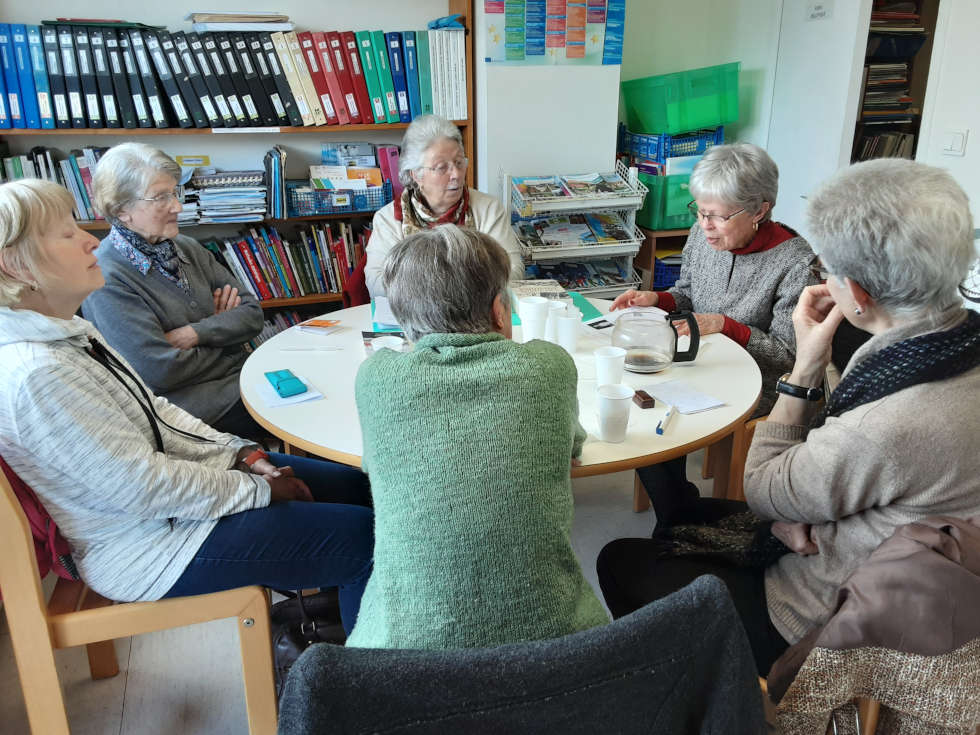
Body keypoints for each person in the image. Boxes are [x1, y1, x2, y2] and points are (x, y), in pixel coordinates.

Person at [596, 158, 980, 675]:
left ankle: (709, 691)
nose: (818, 279)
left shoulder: (887, 422)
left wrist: (805, 367)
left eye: (825, 272)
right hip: (882, 561)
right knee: (679, 524)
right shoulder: (944, 352)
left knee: (619, 559)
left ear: (857, 296)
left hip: (821, 619)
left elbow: (766, 492)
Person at [0, 179, 374, 632]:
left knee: (362, 489)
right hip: (147, 545)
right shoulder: (39, 373)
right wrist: (258, 489)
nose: (89, 240)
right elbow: (140, 488)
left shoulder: (67, 332)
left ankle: (337, 621)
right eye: (65, 234)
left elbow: (157, 412)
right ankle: (363, 687)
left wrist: (242, 453)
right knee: (366, 541)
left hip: (165, 513)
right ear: (15, 266)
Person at [347, 224, 609, 649]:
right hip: (558, 644)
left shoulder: (376, 379)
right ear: (499, 309)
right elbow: (572, 447)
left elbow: (373, 464)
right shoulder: (549, 366)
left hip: (401, 651)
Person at [610, 143, 819, 530]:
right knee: (639, 398)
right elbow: (687, 295)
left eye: (717, 216)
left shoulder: (796, 263)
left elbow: (790, 357)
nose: (704, 224)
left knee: (656, 407)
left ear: (759, 209)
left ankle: (677, 519)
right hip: (702, 363)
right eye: (699, 211)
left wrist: (727, 326)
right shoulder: (702, 234)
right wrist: (656, 298)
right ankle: (679, 512)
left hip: (760, 384)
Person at [81, 142, 266, 440]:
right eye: (161, 197)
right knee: (310, 417)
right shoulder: (106, 278)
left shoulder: (187, 248)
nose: (178, 207)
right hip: (190, 411)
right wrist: (227, 338)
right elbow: (159, 372)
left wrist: (194, 334)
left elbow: (252, 316)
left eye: (174, 193)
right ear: (121, 210)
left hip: (242, 378)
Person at [365, 115, 523, 297]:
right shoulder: (388, 219)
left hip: (475, 316)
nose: (456, 174)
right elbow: (376, 282)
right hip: (415, 319)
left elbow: (514, 272)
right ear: (416, 174)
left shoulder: (488, 209)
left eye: (459, 162)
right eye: (442, 167)